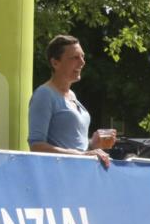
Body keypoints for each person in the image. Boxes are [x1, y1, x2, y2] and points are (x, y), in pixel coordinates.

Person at [28, 35, 114, 168]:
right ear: (55, 63)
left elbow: (76, 146)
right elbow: (36, 146)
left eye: (82, 57)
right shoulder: (44, 94)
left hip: (79, 174)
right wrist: (80, 155)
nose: (82, 62)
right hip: (59, 176)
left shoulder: (72, 95)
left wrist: (92, 144)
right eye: (75, 58)